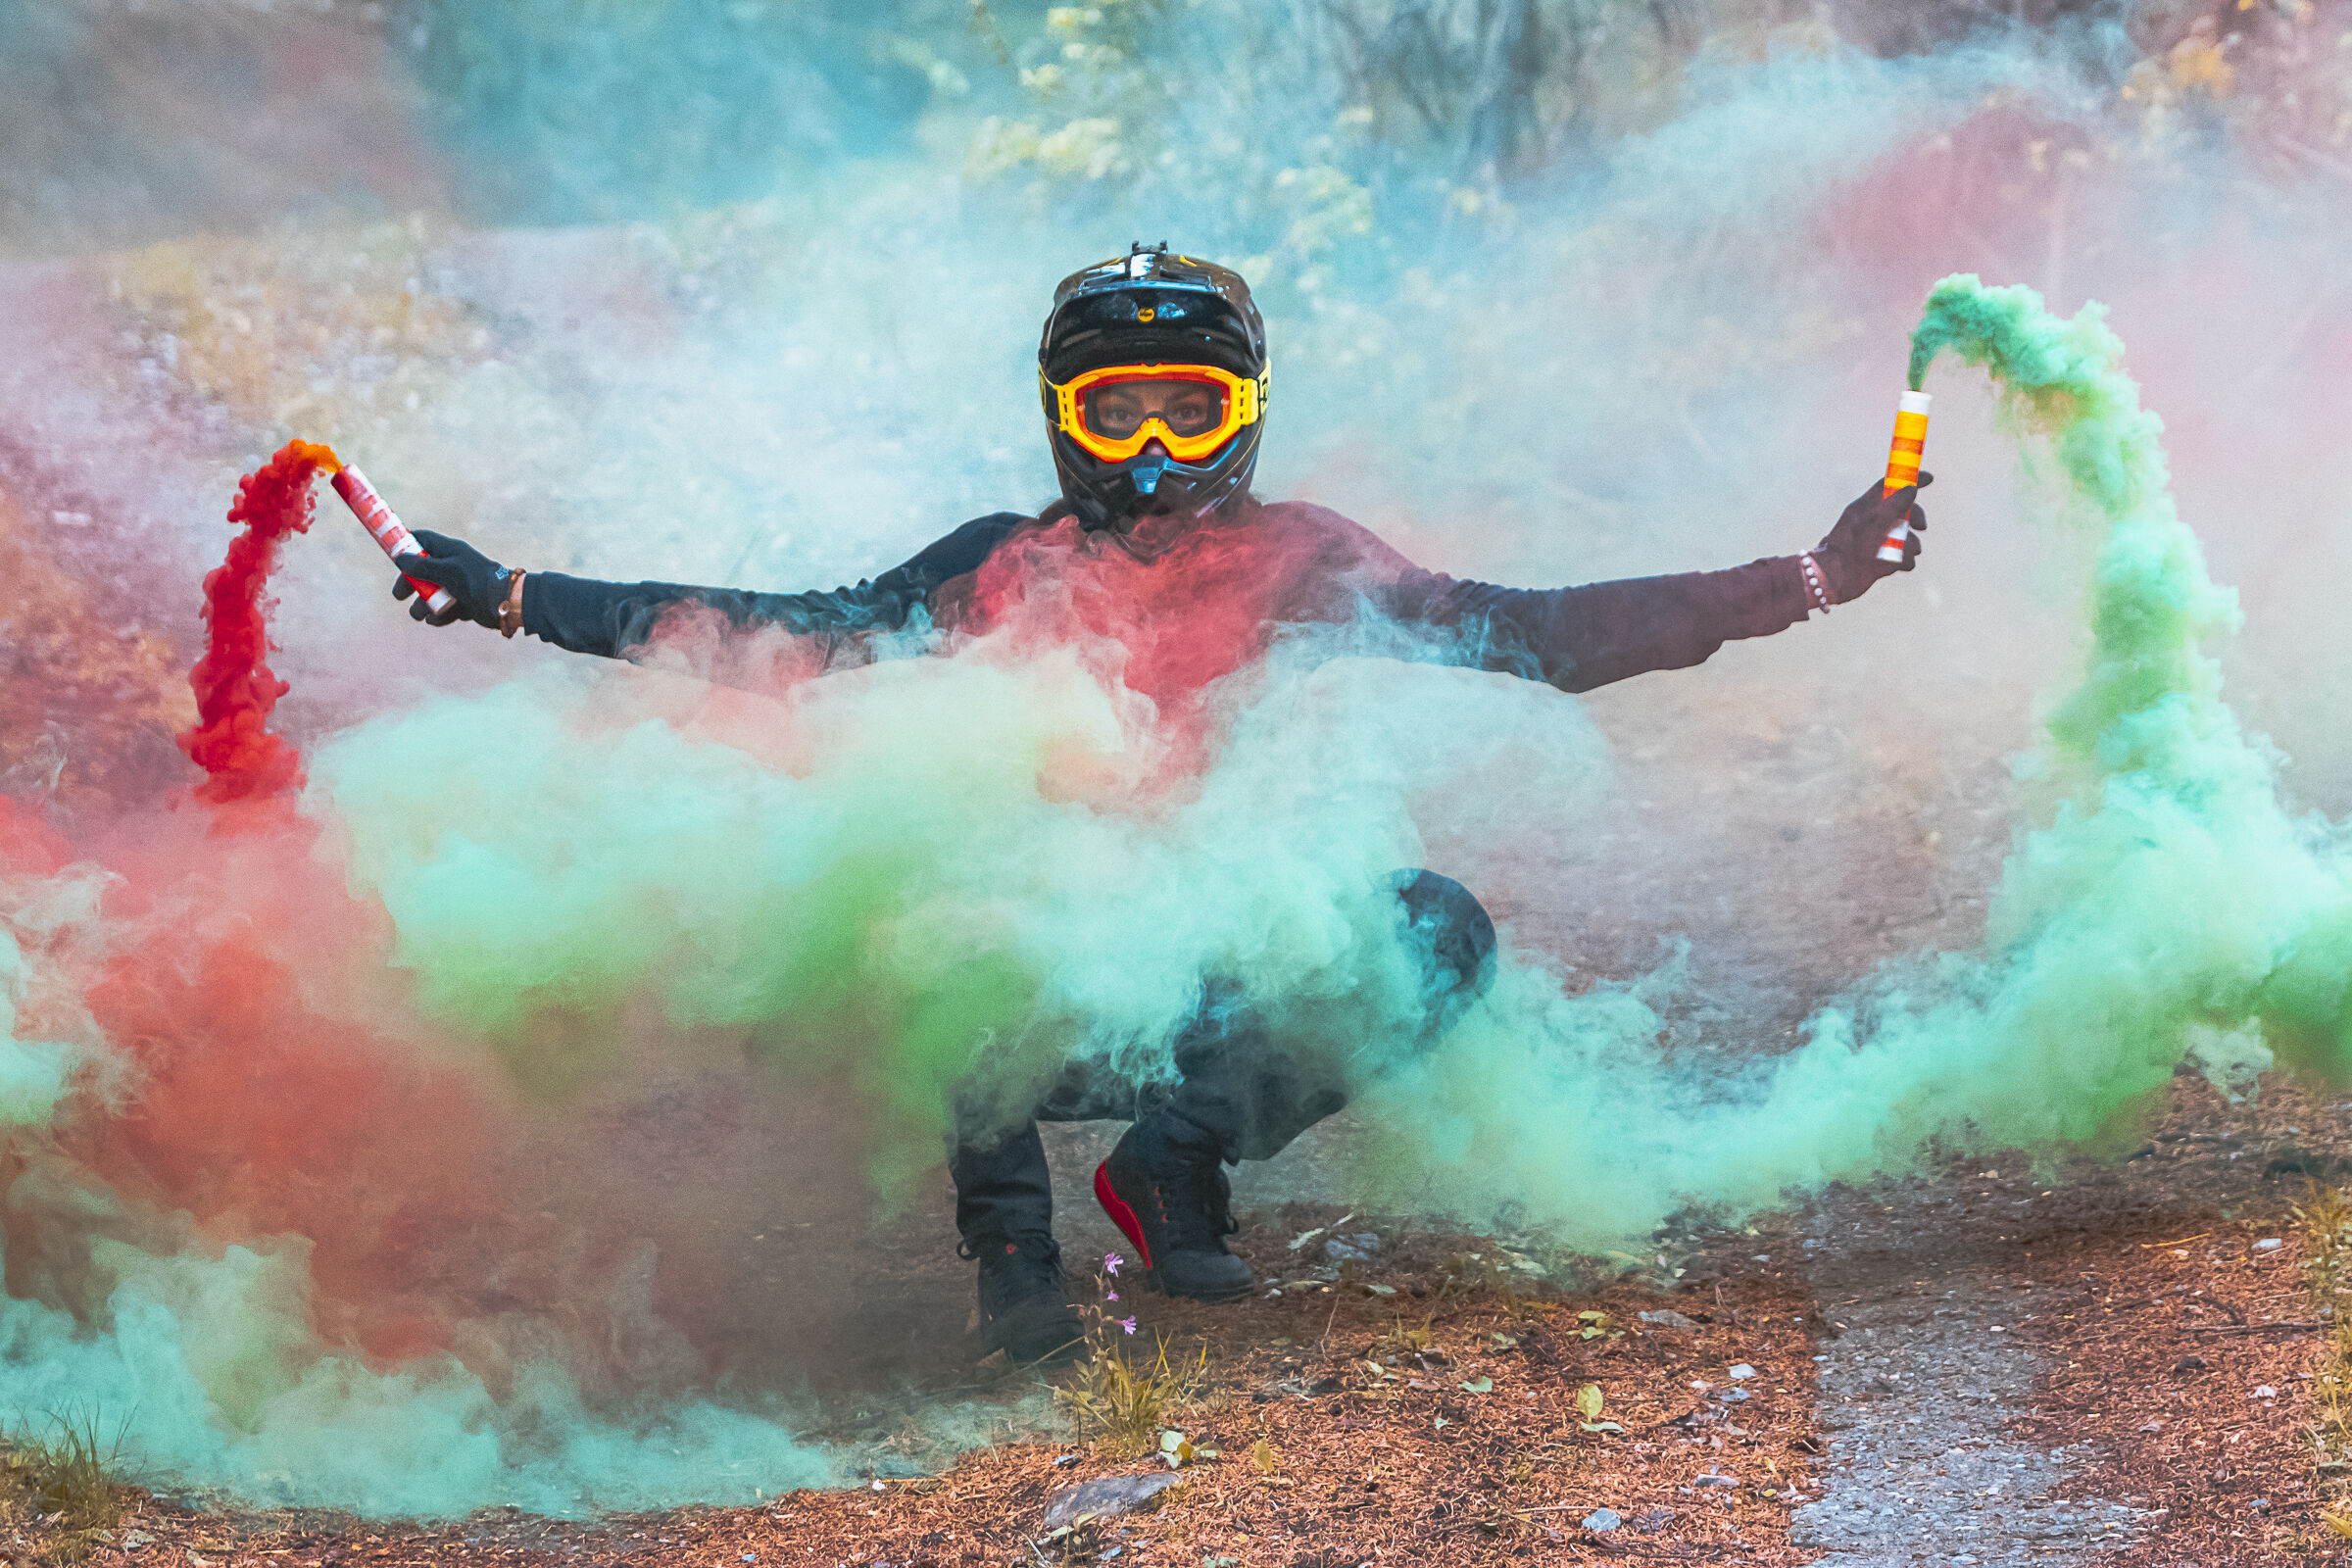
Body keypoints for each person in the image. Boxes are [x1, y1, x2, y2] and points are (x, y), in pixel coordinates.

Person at [388, 243, 1928, 1366]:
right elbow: (762, 630)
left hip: (1200, 976)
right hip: (1031, 990)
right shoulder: (994, 565)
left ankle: (1175, 1166)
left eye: (1183, 410)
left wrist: (1813, 575)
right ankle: (1011, 1261)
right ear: (1061, 416)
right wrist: (516, 594)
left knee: (1434, 932)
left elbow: (1547, 638)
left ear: (1244, 412)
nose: (1149, 452)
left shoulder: (1302, 561)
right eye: (1114, 412)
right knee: (934, 889)